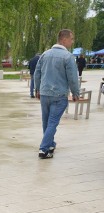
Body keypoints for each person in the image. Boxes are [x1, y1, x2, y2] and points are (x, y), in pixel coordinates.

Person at [34, 29, 80, 159]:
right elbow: (72, 78)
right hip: (59, 95)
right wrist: (76, 93)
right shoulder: (68, 57)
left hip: (44, 93)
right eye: (71, 39)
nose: (72, 41)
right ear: (64, 39)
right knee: (52, 122)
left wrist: (37, 89)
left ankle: (50, 144)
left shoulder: (44, 54)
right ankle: (43, 149)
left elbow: (37, 74)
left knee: (46, 121)